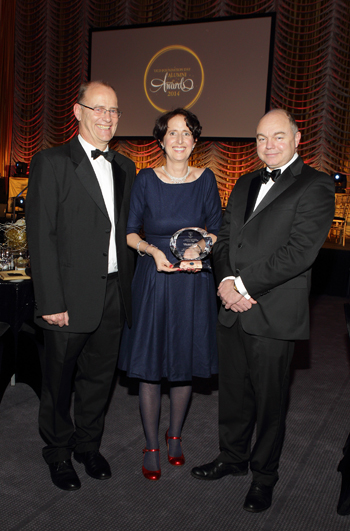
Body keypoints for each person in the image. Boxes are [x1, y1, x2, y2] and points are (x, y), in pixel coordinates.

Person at [191, 109, 335, 512]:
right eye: (260, 138)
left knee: (271, 403)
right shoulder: (243, 182)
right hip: (231, 307)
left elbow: (299, 253)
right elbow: (222, 239)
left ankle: (264, 477)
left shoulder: (317, 185)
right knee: (233, 395)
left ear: (297, 138)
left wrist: (242, 285)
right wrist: (223, 282)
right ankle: (232, 458)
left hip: (273, 313)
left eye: (277, 137)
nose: (268, 146)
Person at [26, 81, 136, 491]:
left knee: (99, 379)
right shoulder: (51, 162)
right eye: (99, 109)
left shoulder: (126, 167)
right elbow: (41, 236)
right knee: (58, 381)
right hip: (67, 297)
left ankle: (88, 445)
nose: (108, 118)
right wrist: (50, 300)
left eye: (114, 111)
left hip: (112, 292)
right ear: (77, 111)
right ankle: (56, 452)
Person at [118, 108, 222, 480]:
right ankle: (150, 444)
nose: (179, 140)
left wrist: (201, 247)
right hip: (155, 277)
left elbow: (217, 231)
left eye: (187, 133)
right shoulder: (145, 180)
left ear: (195, 141)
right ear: (160, 139)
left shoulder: (206, 179)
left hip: (193, 280)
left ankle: (174, 436)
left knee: (184, 362)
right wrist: (153, 250)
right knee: (149, 365)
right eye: (172, 133)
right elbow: (130, 233)